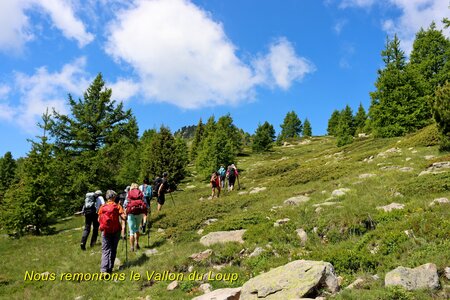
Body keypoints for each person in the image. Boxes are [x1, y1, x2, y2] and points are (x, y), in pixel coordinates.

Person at [98, 190, 126, 274]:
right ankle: (110, 269)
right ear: (113, 197)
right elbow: (123, 217)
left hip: (106, 231)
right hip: (116, 230)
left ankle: (103, 270)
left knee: (105, 250)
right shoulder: (117, 206)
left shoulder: (102, 207)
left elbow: (98, 219)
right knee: (113, 250)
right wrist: (126, 214)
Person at [125, 183, 146, 251]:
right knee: (136, 229)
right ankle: (137, 243)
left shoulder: (129, 193)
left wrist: (125, 213)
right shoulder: (141, 193)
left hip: (131, 213)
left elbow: (125, 204)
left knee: (131, 231)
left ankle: (132, 247)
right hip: (139, 213)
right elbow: (145, 203)